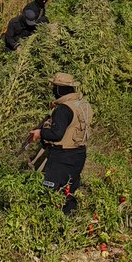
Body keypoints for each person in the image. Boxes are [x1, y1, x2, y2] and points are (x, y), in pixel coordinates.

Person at [28, 73, 93, 213]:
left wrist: (40, 133)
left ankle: (47, 224)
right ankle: (69, 221)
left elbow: (56, 135)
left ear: (59, 89)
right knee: (70, 190)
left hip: (62, 156)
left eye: (54, 87)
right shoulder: (84, 105)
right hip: (79, 154)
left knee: (51, 192)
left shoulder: (63, 109)